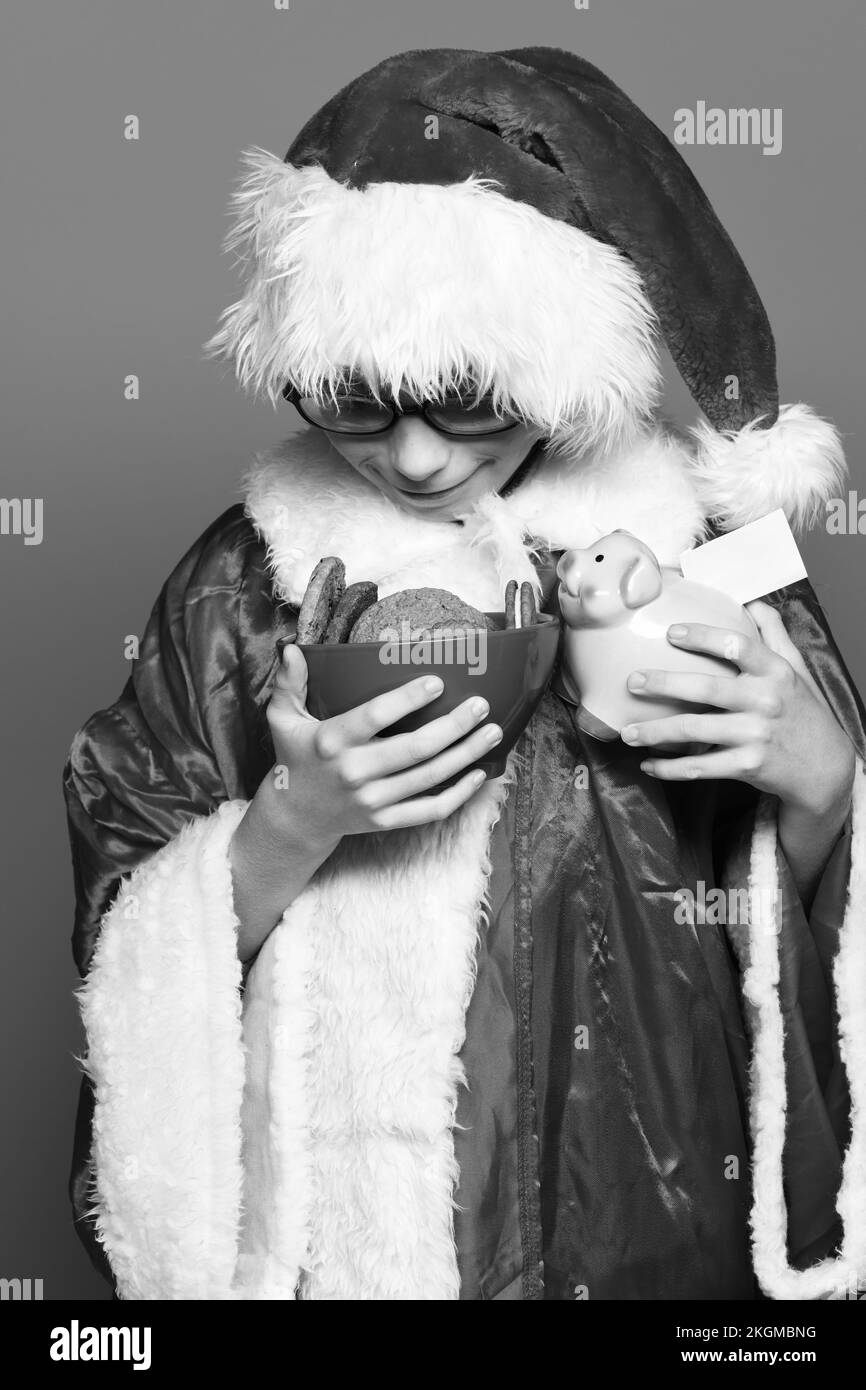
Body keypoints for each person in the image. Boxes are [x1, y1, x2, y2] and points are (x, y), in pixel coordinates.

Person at [65, 46, 866, 1301]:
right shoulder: (248, 578)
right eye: (354, 401)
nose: (418, 457)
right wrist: (293, 825)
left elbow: (807, 940)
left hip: (651, 1239)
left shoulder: (708, 560)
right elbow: (126, 915)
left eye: (466, 400)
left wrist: (823, 791)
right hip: (337, 1250)